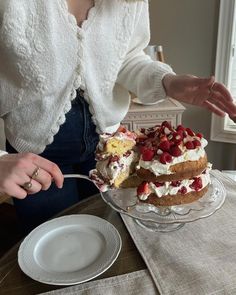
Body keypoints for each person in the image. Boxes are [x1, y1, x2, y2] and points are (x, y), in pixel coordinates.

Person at [0, 0, 235, 233]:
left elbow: (128, 57)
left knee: (110, 235)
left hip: (112, 150)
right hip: (35, 158)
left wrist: (168, 82)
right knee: (53, 249)